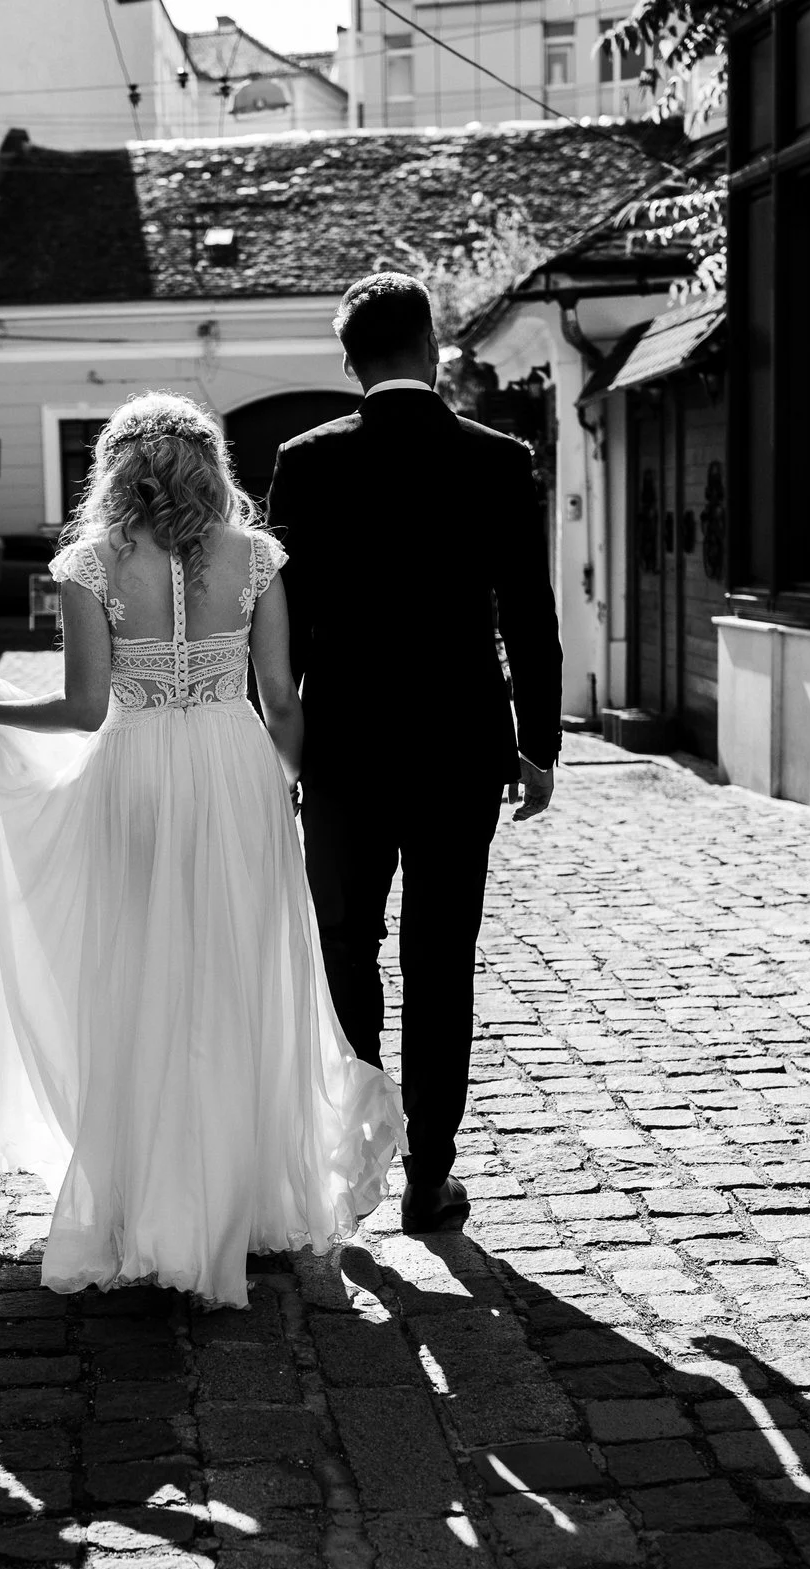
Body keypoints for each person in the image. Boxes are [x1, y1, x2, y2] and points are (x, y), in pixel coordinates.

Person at [0, 392, 403, 1310]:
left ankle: (148, 1200)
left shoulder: (92, 563)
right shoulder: (257, 558)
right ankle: (239, 1199)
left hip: (134, 774)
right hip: (233, 767)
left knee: (142, 976)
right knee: (235, 977)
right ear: (211, 466)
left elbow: (84, 707)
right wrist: (285, 780)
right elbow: (281, 698)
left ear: (115, 470)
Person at [265, 273, 563, 1237]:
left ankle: (360, 1157)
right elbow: (529, 611)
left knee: (346, 948)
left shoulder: (305, 462)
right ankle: (430, 1177)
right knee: (444, 958)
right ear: (436, 349)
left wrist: (278, 747)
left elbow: (286, 627)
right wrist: (540, 743)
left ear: (349, 361)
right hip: (460, 749)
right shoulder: (498, 458)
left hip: (344, 747)